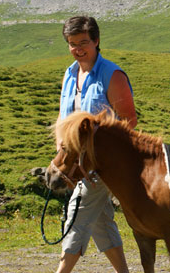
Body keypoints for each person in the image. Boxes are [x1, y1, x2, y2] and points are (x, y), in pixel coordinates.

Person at [54, 16, 137, 273]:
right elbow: (63, 119)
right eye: (72, 44)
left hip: (102, 164)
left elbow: (129, 121)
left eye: (83, 43)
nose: (78, 49)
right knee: (101, 222)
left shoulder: (112, 75)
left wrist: (100, 154)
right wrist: (62, 154)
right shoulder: (70, 74)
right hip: (75, 162)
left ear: (96, 41)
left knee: (77, 215)